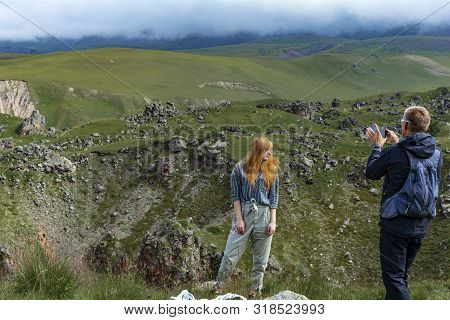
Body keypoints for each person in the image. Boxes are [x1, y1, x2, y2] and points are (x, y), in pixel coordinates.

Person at [365, 106, 443, 300]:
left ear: (406, 125)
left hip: (396, 226)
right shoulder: (437, 154)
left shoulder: (395, 153)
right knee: (402, 276)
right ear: (427, 126)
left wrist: (377, 146)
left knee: (393, 278)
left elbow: (372, 172)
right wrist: (400, 143)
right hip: (421, 225)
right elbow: (416, 160)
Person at [213, 136, 280, 298]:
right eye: (266, 150)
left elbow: (273, 200)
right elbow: (235, 196)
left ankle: (255, 291)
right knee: (230, 253)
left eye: (270, 150)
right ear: (257, 151)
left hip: (264, 216)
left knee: (261, 258)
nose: (269, 153)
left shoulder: (271, 171)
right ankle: (218, 287)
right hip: (244, 212)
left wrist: (272, 222)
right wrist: (240, 219)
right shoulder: (239, 169)